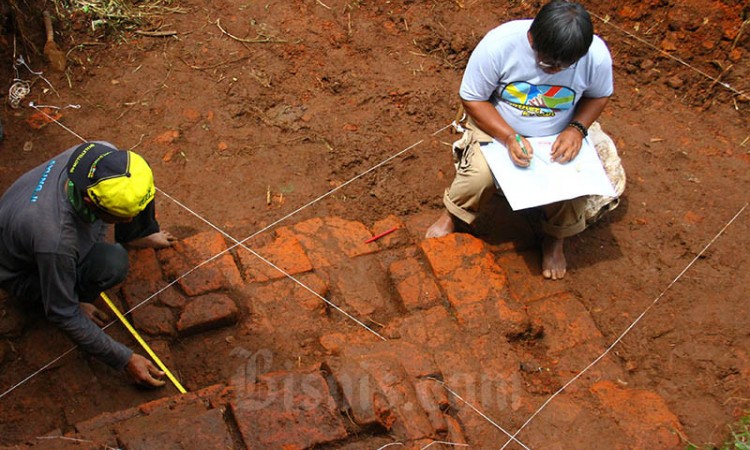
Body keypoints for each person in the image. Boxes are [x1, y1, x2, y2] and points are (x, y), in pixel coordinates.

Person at [426, 0, 624, 280]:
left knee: (573, 188)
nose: (555, 70)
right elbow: (473, 98)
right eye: (546, 62)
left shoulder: (596, 56)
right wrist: (508, 137)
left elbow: (599, 94)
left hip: (559, 132)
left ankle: (555, 238)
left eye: (564, 65)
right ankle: (454, 215)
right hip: (498, 126)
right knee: (478, 177)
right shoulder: (499, 45)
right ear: (531, 38)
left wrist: (577, 129)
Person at [0, 141, 176, 386]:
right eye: (126, 217)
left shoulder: (100, 157)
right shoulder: (57, 241)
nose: (131, 217)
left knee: (135, 187)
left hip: (29, 226)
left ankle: (136, 236)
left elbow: (136, 188)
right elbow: (62, 315)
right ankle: (76, 295)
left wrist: (139, 229)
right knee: (113, 263)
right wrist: (124, 359)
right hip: (23, 273)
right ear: (91, 203)